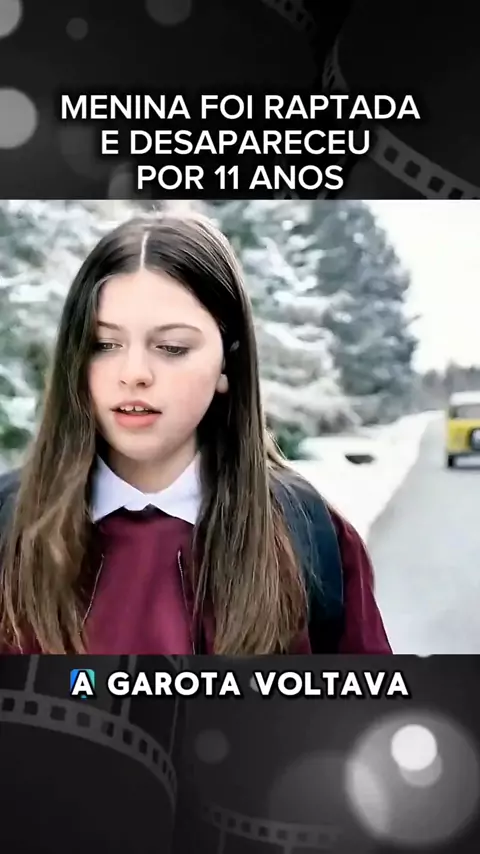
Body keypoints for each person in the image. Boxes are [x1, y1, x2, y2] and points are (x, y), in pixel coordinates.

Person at [0, 212, 391, 655]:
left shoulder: (311, 536)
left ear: (228, 361)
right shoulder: (11, 528)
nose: (134, 373)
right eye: (104, 345)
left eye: (172, 347)